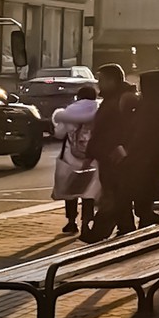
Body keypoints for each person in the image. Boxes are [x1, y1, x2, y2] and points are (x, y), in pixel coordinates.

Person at [86, 64, 139, 242]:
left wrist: (109, 149)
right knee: (119, 196)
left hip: (114, 156)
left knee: (113, 195)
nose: (99, 84)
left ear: (112, 81)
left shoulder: (120, 100)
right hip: (110, 155)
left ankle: (99, 232)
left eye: (102, 80)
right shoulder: (114, 99)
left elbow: (118, 130)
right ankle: (126, 229)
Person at [51, 83, 101, 235]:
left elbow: (59, 134)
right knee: (89, 192)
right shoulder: (99, 110)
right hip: (92, 157)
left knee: (71, 190)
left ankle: (71, 222)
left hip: (70, 157)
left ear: (78, 97)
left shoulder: (69, 112)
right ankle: (87, 223)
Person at [129, 70, 159, 227]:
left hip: (148, 155)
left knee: (146, 186)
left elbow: (141, 132)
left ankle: (145, 216)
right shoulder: (158, 103)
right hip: (153, 154)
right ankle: (145, 216)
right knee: (147, 187)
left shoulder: (152, 104)